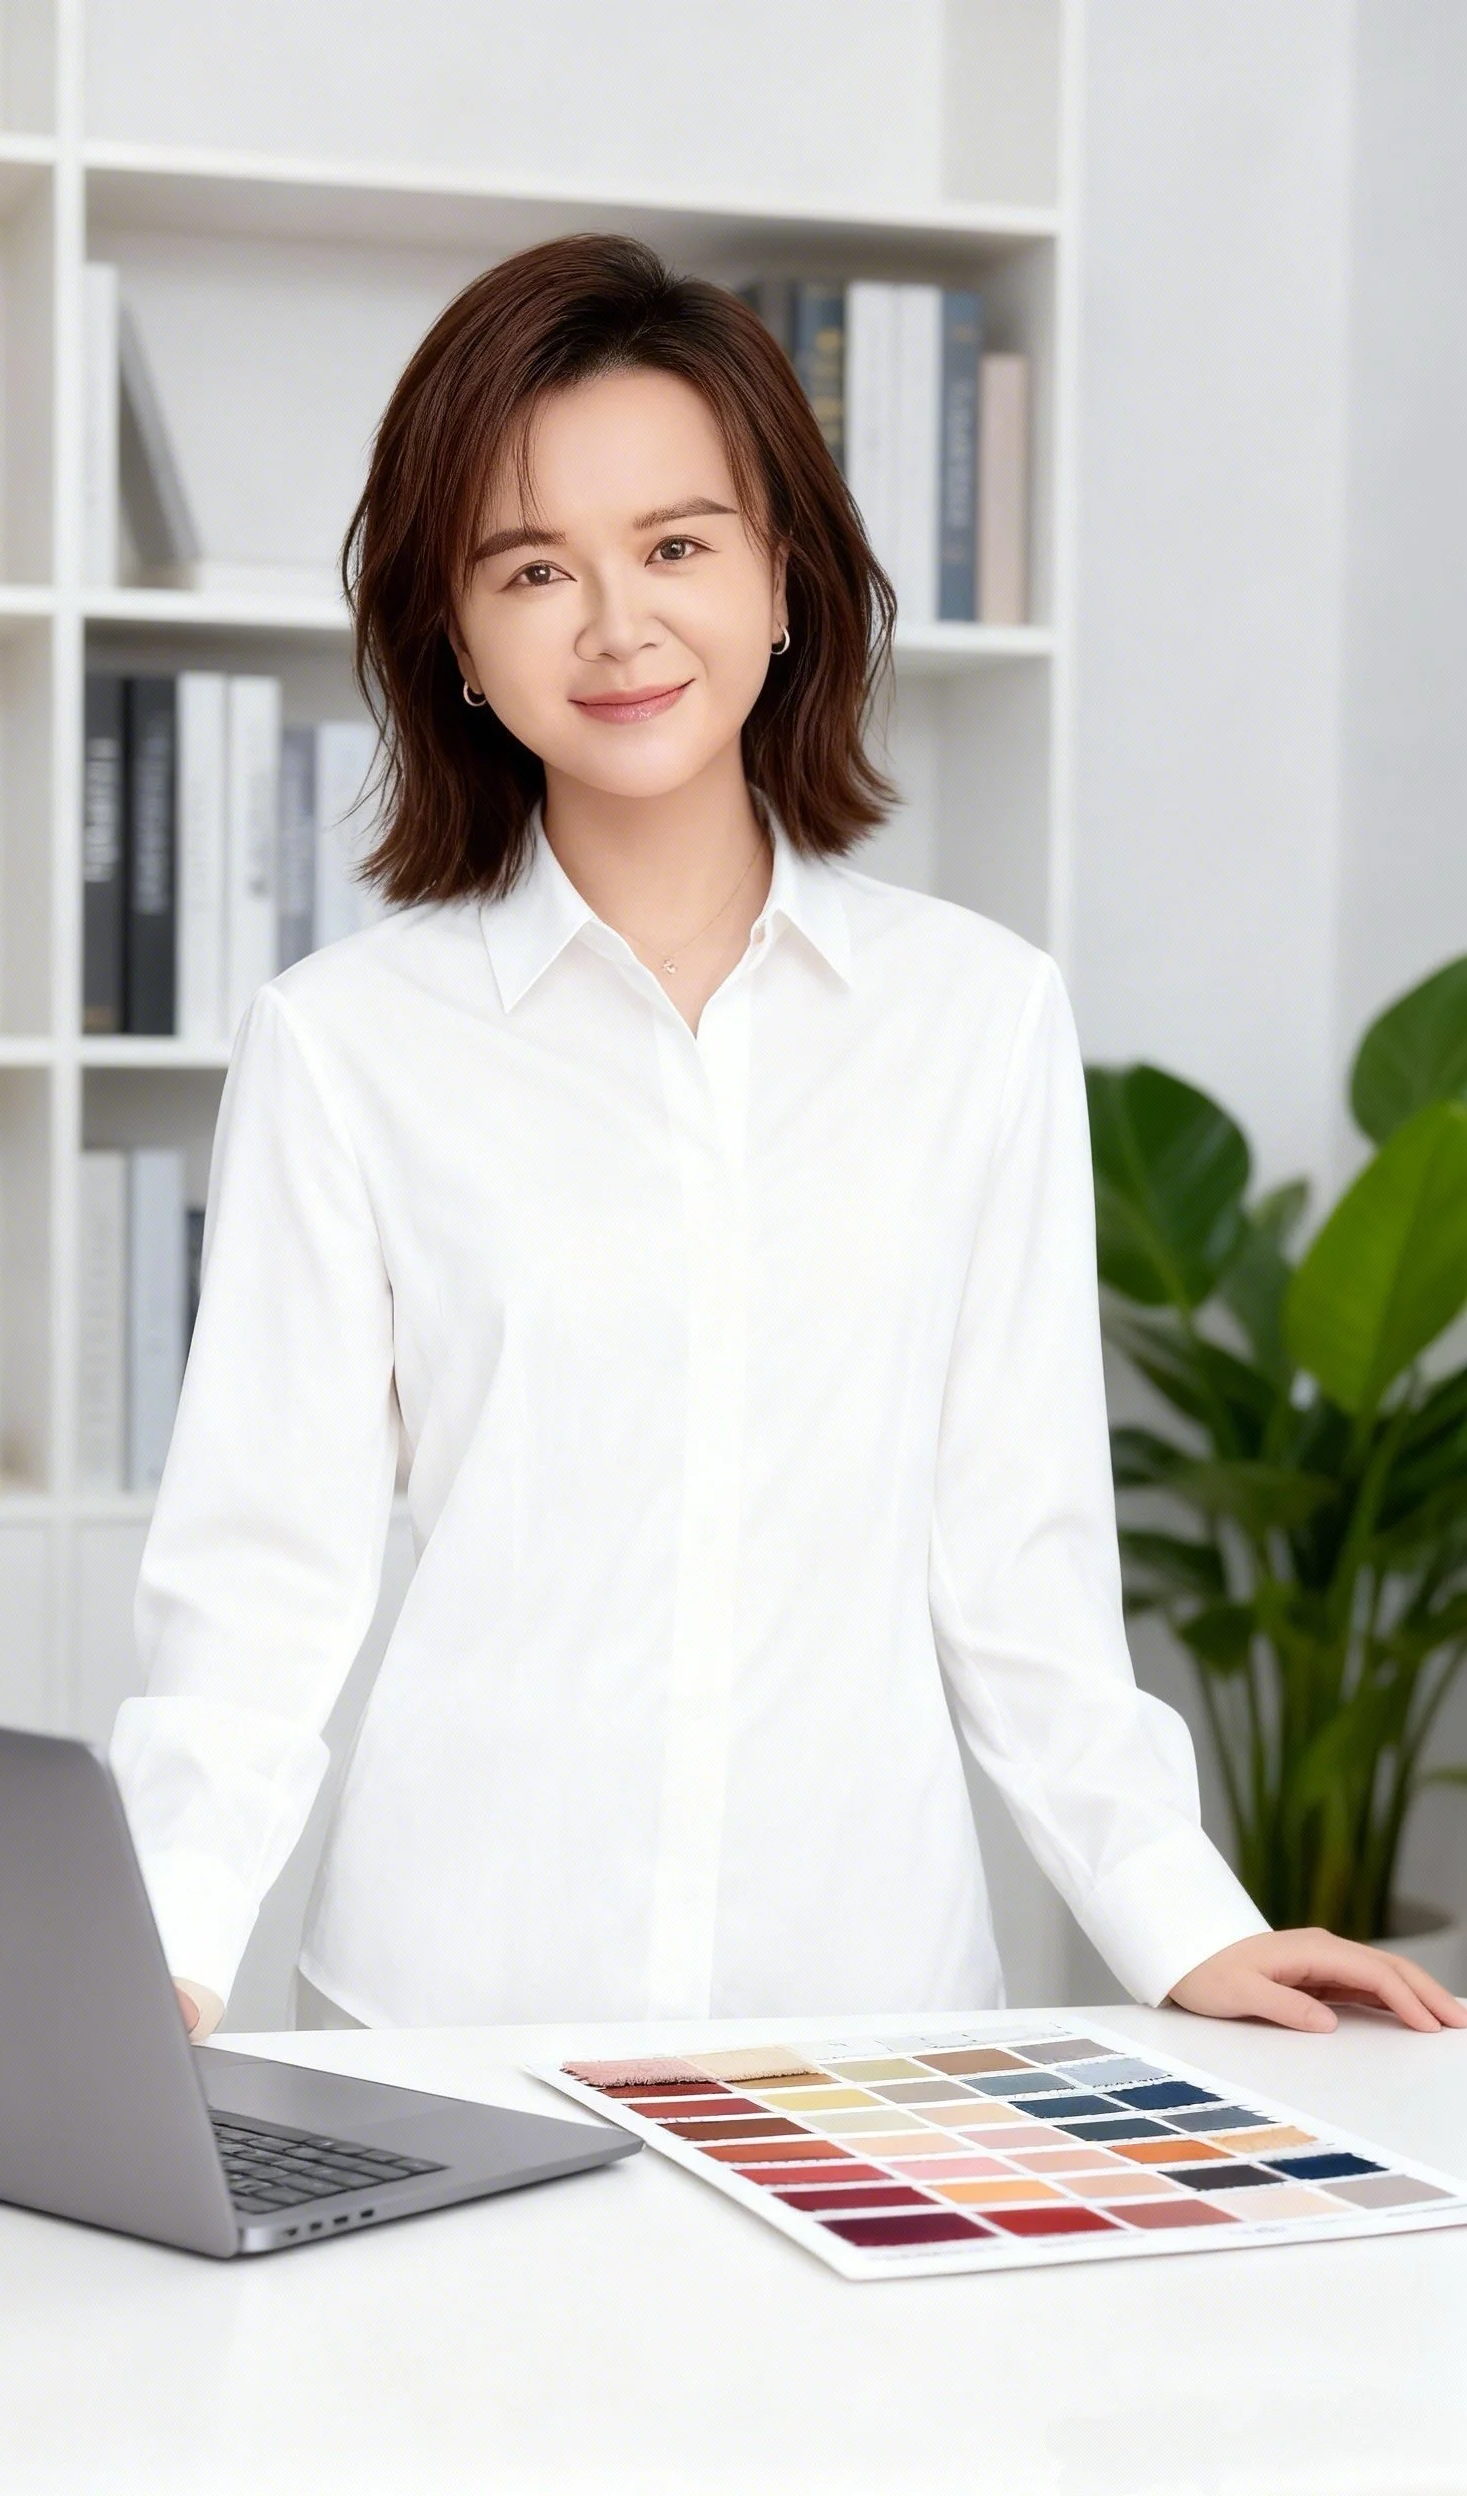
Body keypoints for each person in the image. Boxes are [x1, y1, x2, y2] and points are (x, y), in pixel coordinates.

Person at [109, 234, 1463, 2048]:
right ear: (452, 640)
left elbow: (1020, 1566)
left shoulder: (978, 1020)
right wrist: (161, 1955)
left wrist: (1183, 1921)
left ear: (785, 583)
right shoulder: (346, 1046)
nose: (616, 624)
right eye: (533, 567)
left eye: (677, 546)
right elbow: (259, 1584)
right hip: (458, 2011)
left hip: (874, 2022)